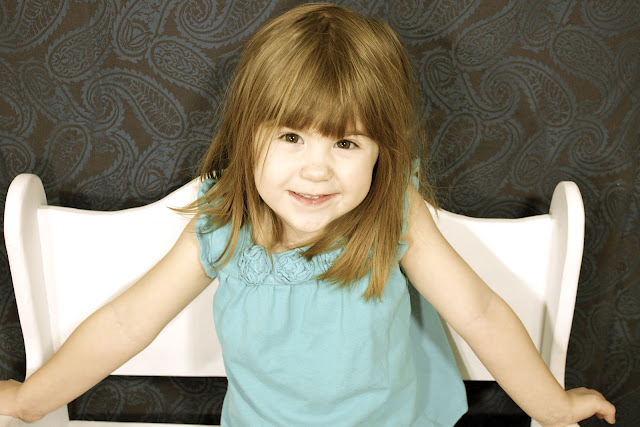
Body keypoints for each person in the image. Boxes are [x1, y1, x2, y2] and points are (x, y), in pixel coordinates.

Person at [0, 3, 616, 426]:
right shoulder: (225, 227)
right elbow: (126, 322)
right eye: (291, 137)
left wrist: (552, 405)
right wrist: (31, 400)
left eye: (345, 143)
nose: (316, 170)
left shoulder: (393, 216)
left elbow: (479, 313)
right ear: (248, 136)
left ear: (382, 152)